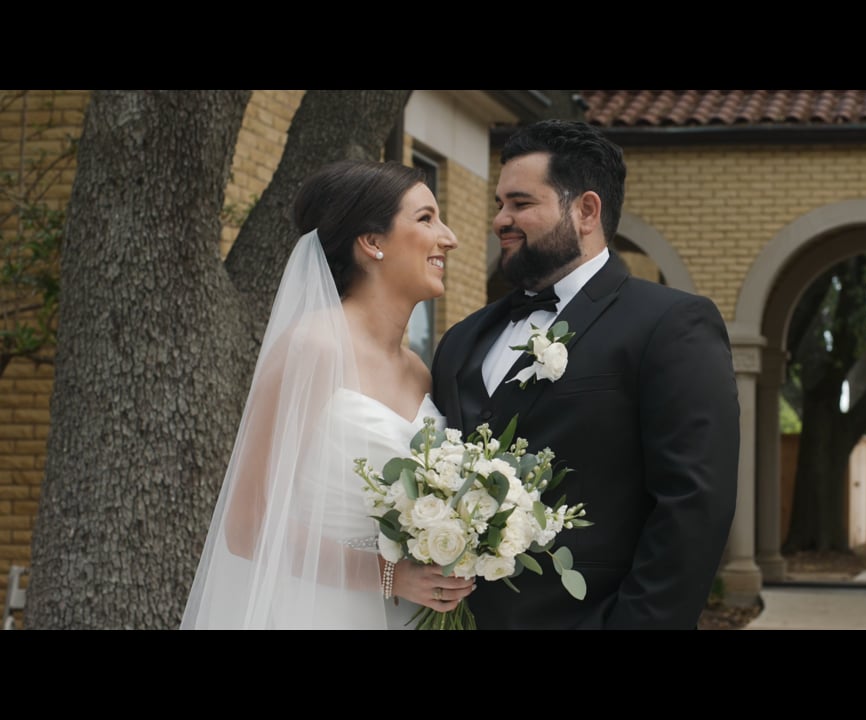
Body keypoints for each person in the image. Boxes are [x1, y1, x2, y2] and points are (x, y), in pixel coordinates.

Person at [430, 119, 740, 629]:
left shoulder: (671, 324)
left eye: (520, 203)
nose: (500, 220)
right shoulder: (462, 339)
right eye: (499, 204)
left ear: (586, 211)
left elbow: (693, 504)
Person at [181, 159, 475, 629]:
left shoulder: (419, 372)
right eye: (426, 218)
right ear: (372, 242)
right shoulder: (313, 347)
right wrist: (389, 576)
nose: (450, 237)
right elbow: (247, 525)